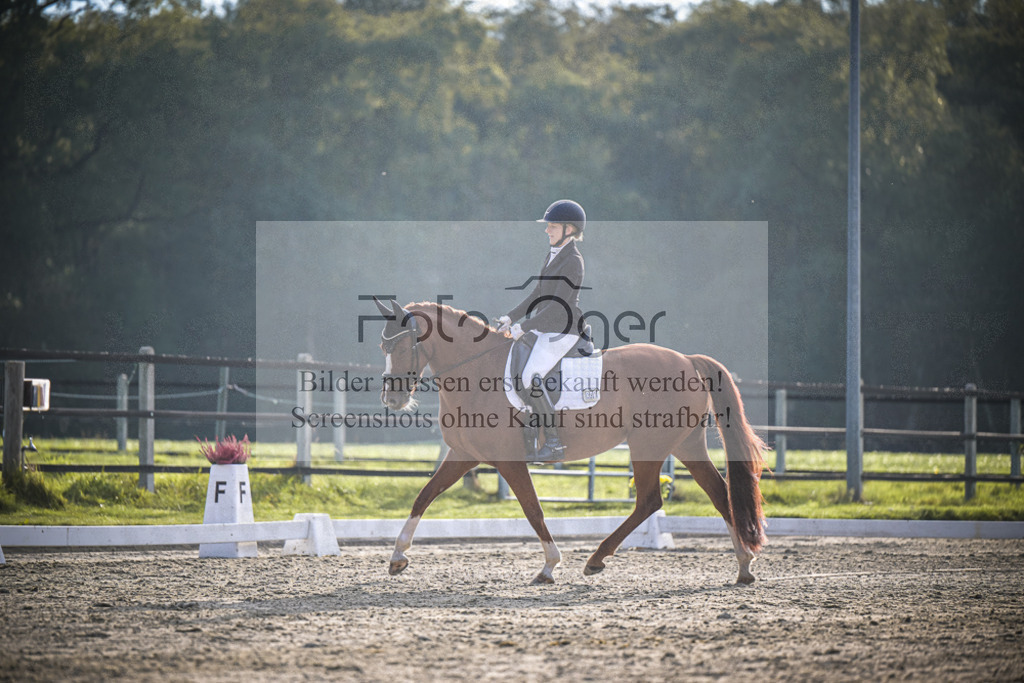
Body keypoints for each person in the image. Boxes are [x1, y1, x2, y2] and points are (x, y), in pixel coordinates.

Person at [496, 199, 587, 462]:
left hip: (564, 330)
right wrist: (511, 317)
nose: (547, 230)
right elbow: (538, 293)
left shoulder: (573, 261)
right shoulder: (553, 255)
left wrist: (523, 326)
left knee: (530, 376)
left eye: (553, 226)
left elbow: (558, 306)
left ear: (570, 229)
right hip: (547, 328)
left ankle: (554, 442)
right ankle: (530, 430)